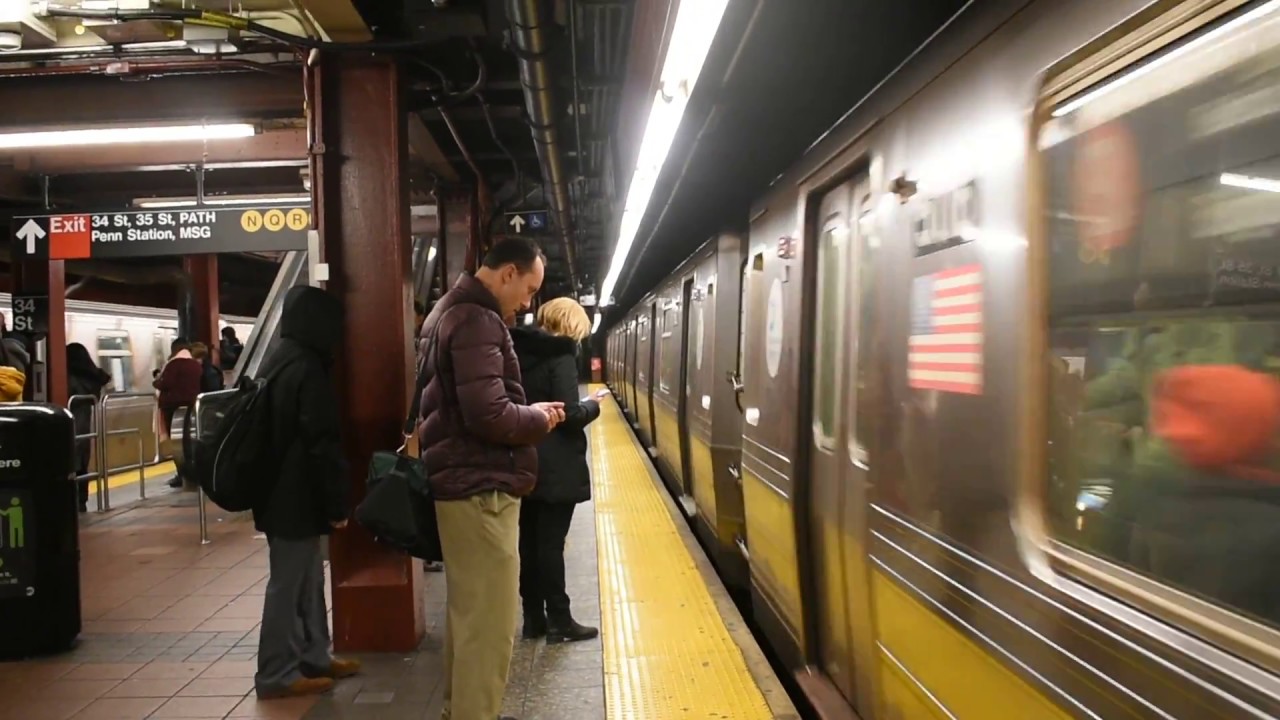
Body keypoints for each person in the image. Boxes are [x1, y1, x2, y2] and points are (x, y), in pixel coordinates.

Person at [414, 237, 566, 720]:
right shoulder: (478, 320)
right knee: (490, 626)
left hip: (462, 482)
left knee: (469, 618)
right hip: (481, 488)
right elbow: (489, 414)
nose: (528, 302)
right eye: (528, 289)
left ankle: (459, 712)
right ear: (507, 273)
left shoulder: (447, 310)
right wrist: (537, 418)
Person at [252, 285, 359, 699]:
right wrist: (337, 503)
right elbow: (321, 443)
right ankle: (276, 673)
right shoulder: (307, 369)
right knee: (288, 584)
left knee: (309, 579)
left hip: (280, 493)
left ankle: (315, 654)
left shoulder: (279, 361)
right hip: (294, 498)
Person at [510, 297, 607, 643]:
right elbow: (568, 414)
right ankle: (561, 620)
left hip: (523, 459)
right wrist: (592, 405)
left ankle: (533, 618)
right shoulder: (561, 354)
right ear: (573, 325)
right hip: (555, 465)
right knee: (551, 545)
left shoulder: (516, 351)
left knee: (529, 543)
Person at [67, 343, 111, 512]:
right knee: (82, 465)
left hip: (71, 427)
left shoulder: (68, 378)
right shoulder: (91, 379)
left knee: (71, 464)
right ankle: (81, 501)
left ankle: (73, 501)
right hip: (84, 427)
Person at [154, 339, 202, 489]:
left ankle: (183, 475)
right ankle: (191, 475)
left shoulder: (174, 364)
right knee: (187, 441)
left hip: (172, 408)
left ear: (175, 349)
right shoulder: (195, 364)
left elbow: (165, 384)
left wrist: (156, 381)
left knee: (177, 444)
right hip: (190, 406)